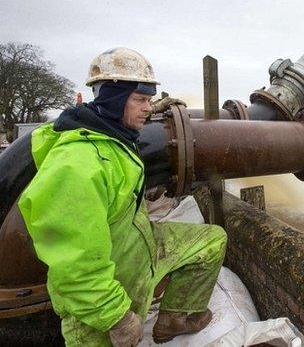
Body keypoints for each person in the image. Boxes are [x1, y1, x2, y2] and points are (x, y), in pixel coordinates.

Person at [18, 47, 227, 346]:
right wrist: (116, 316)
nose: (147, 108)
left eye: (149, 101)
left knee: (211, 240)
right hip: (103, 297)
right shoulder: (75, 166)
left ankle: (175, 317)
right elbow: (76, 265)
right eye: (140, 100)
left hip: (138, 248)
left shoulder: (112, 136)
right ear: (114, 101)